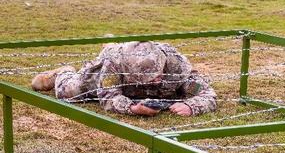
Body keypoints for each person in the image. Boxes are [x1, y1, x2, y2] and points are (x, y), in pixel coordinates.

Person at [31, 41, 217, 117]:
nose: (156, 80)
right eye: (149, 78)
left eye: (158, 75)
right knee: (69, 93)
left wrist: (191, 106)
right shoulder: (113, 65)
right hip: (112, 67)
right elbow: (108, 96)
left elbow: (208, 93)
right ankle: (62, 73)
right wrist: (132, 108)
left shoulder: (177, 65)